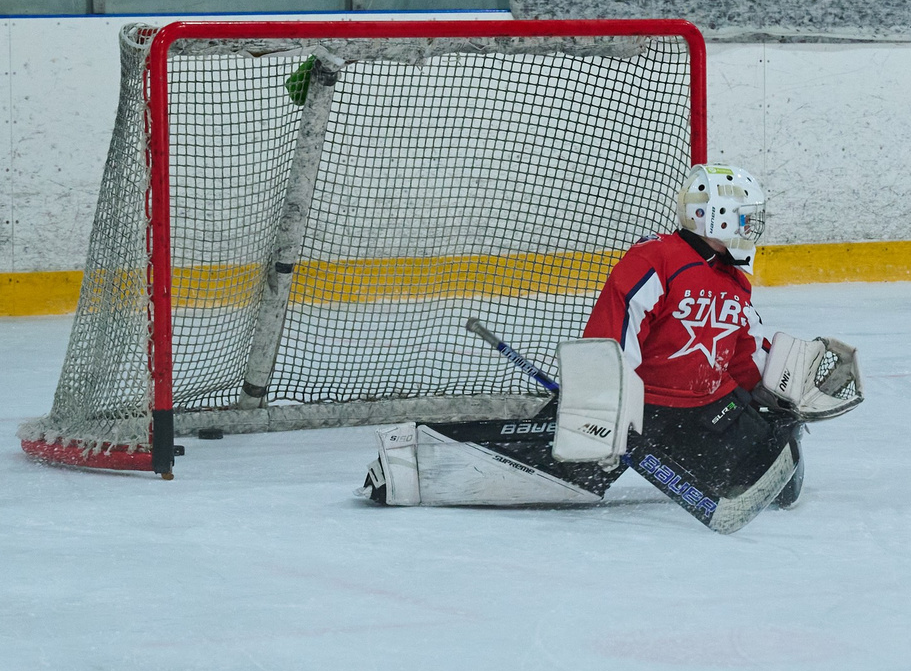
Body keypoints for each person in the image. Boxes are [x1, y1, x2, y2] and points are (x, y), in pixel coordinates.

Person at [361, 164, 862, 531]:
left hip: (702, 414)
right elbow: (613, 333)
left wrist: (779, 394)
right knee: (559, 472)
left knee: (776, 465)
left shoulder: (735, 284)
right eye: (747, 219)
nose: (754, 229)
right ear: (718, 218)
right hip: (638, 413)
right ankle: (406, 463)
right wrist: (609, 405)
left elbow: (741, 355)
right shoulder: (657, 258)